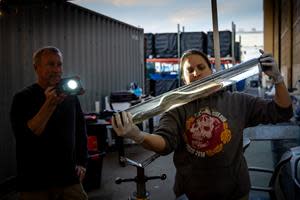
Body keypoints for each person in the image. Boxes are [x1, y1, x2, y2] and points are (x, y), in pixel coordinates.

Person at [112, 49, 293, 200]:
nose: (196, 73)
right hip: (192, 193)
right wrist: (137, 135)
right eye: (189, 70)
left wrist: (277, 79)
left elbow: (281, 111)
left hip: (235, 192)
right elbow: (164, 143)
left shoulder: (238, 101)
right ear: (184, 79)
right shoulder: (176, 108)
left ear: (211, 70)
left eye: (201, 67)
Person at [10, 46, 88, 200]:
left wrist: (82, 162)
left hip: (68, 178)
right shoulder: (22, 98)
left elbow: (80, 130)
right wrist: (49, 104)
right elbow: (26, 136)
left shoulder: (70, 96)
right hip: (35, 182)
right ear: (36, 67)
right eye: (50, 64)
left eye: (59, 64)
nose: (57, 69)